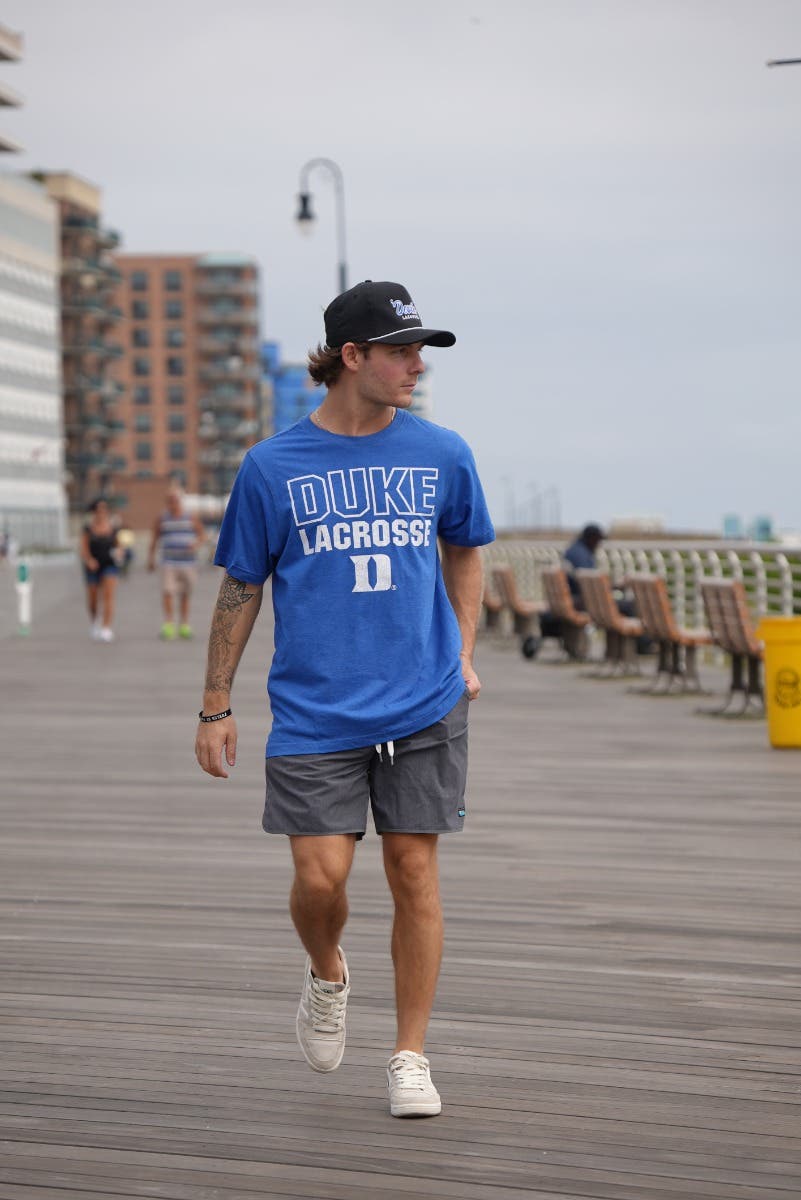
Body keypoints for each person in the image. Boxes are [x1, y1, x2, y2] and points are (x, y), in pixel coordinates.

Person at [195, 280, 494, 1118]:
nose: (415, 366)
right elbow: (241, 587)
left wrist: (463, 652)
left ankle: (409, 1054)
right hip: (316, 710)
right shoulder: (271, 466)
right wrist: (215, 704)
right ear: (350, 357)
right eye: (400, 351)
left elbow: (466, 550)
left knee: (413, 870)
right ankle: (327, 970)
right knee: (320, 879)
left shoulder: (442, 452)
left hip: (425, 700)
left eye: (422, 351)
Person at [147, 485, 206, 640]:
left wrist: (196, 544)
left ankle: (184, 624)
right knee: (168, 591)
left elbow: (202, 535)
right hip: (169, 562)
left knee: (185, 593)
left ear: (180, 501)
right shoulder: (162, 518)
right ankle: (168, 624)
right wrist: (150, 558)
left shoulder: (191, 517)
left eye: (175, 500)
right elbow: (154, 538)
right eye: (169, 500)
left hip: (188, 562)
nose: (172, 503)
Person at [80, 497, 119, 642]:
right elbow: (83, 548)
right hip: (93, 565)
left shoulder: (113, 527)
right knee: (93, 599)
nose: (101, 512)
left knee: (108, 596)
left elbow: (118, 544)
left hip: (109, 564)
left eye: (104, 509)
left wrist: (120, 552)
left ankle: (106, 627)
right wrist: (89, 560)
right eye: (98, 510)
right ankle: (95, 621)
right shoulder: (88, 528)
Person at [563, 523, 605, 602]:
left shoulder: (573, 549)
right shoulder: (581, 554)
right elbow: (589, 580)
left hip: (574, 595)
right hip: (583, 599)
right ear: (591, 538)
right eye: (597, 540)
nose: (598, 544)